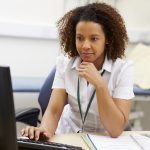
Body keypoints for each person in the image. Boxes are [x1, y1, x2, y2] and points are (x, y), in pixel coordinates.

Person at [21, 2, 134, 140]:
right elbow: (54, 111)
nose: (85, 46)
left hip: (103, 139)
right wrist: (43, 131)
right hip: (69, 135)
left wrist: (100, 85)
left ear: (108, 39)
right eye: (79, 38)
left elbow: (115, 130)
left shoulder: (123, 70)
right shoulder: (65, 64)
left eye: (94, 39)